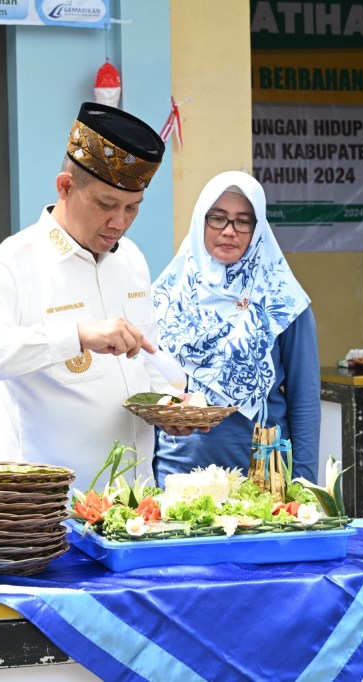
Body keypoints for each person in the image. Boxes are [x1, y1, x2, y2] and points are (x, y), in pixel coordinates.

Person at [0, 102, 186, 487]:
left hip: (135, 506)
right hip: (51, 515)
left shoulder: (132, 261)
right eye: (107, 205)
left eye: (132, 208)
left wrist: (169, 407)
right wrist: (77, 336)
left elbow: (143, 359)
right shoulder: (12, 264)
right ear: (65, 186)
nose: (119, 223)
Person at [151, 171, 320, 488]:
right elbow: (149, 383)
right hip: (177, 475)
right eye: (217, 218)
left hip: (260, 475)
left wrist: (305, 484)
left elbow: (305, 400)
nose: (229, 231)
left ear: (259, 231)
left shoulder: (283, 302)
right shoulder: (166, 295)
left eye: (244, 221)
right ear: (200, 220)